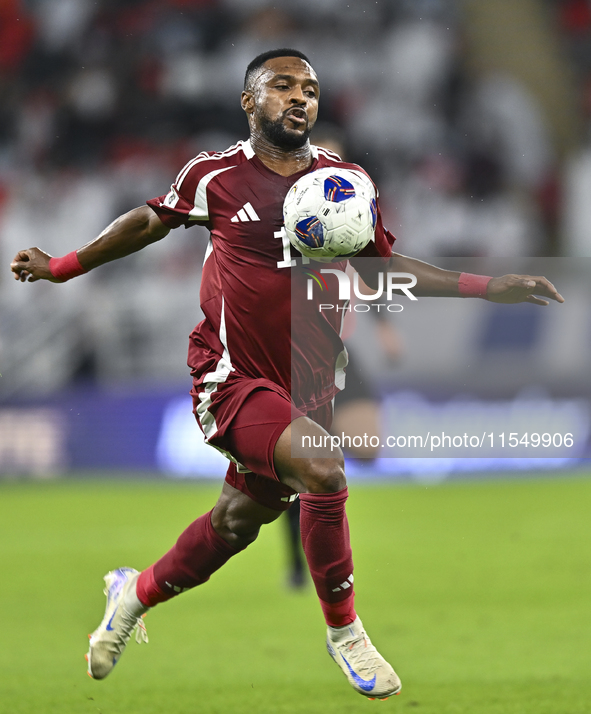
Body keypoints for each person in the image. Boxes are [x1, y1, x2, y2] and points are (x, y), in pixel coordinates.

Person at [10, 48, 564, 701]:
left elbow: (382, 270)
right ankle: (345, 631)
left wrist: (488, 284)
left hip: (307, 384)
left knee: (233, 526)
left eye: (310, 88)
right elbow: (148, 221)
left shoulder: (344, 181)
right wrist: (63, 266)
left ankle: (131, 594)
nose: (299, 97)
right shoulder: (215, 175)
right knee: (324, 468)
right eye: (281, 85)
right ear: (249, 101)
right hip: (230, 377)